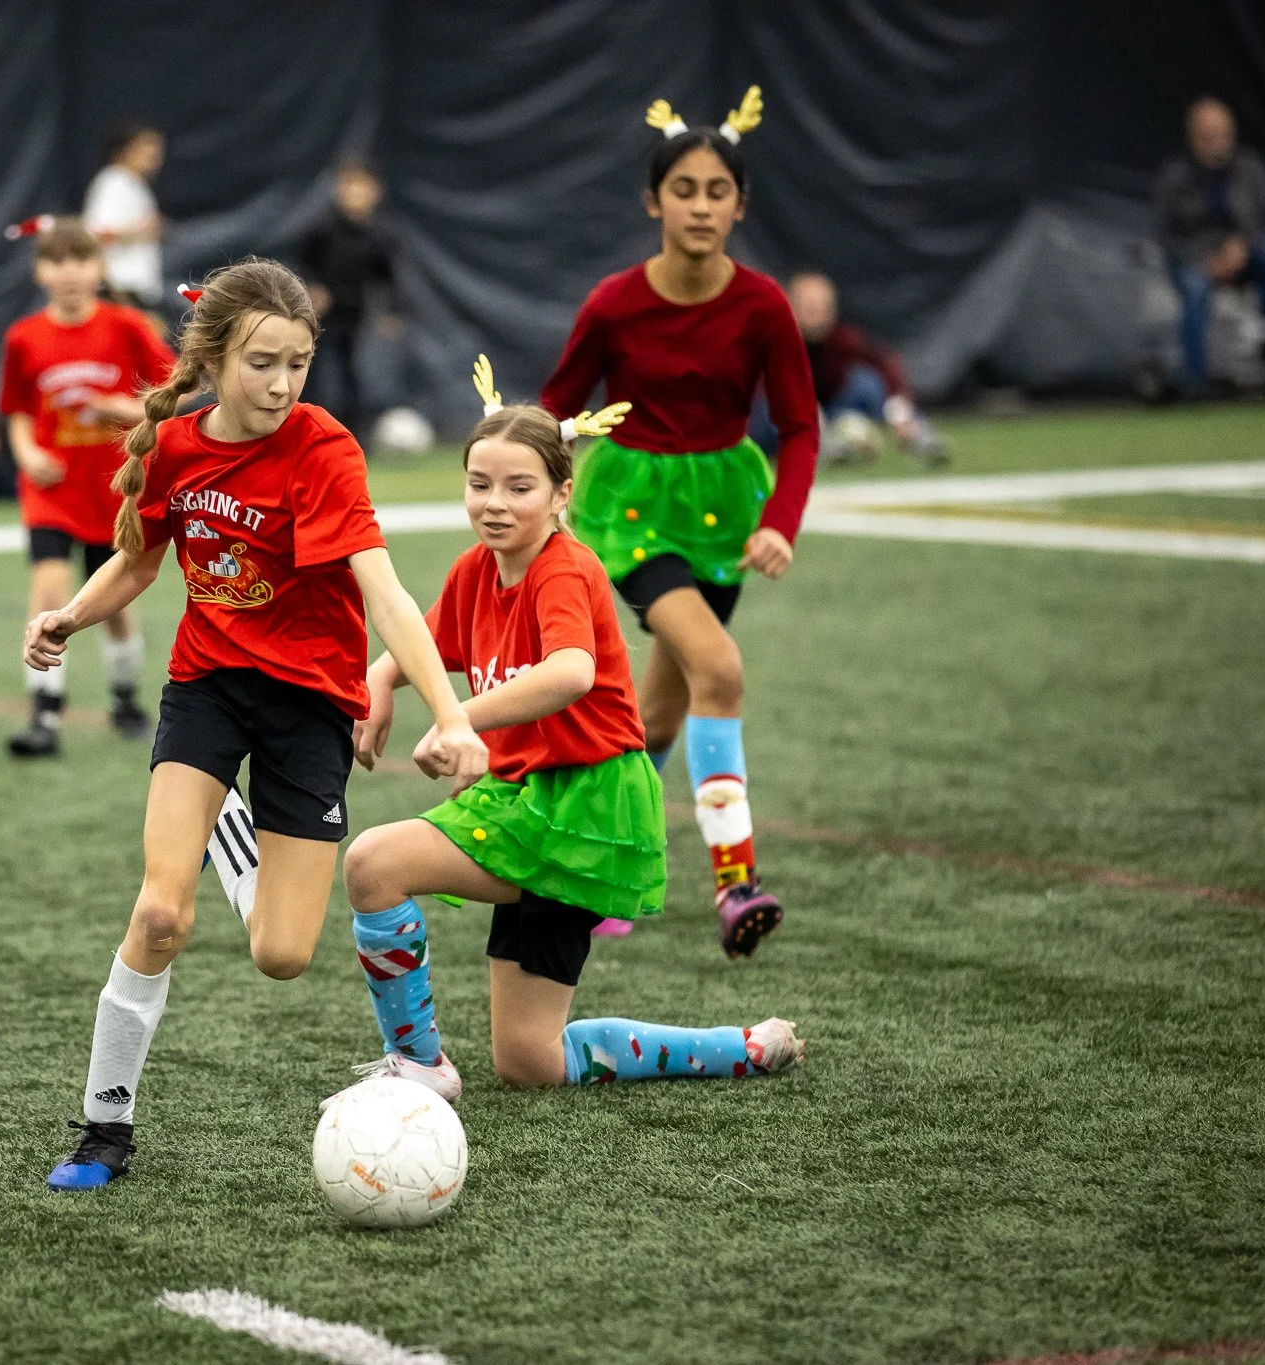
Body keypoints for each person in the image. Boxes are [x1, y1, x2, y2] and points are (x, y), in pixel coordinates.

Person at [30, 258, 488, 1192]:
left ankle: (226, 827)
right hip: (206, 687)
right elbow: (137, 561)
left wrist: (454, 717)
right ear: (213, 357)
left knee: (281, 956)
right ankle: (103, 1130)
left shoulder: (322, 450)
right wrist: (70, 616)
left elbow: (387, 597)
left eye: (299, 364)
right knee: (160, 913)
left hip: (311, 702)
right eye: (262, 363)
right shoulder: (175, 447)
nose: (282, 386)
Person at [337, 360, 801, 1097]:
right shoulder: (474, 571)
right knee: (531, 1062)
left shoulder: (566, 568)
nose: (494, 504)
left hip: (586, 810)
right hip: (523, 800)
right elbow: (425, 645)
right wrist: (380, 680)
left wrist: (457, 718)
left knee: (373, 863)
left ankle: (420, 1067)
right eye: (478, 483)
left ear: (561, 493)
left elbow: (571, 672)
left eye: (518, 488)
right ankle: (741, 1046)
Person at [540, 88, 818, 959]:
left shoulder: (765, 306)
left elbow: (802, 427)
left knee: (656, 716)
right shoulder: (616, 303)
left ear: (740, 204)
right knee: (720, 668)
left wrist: (780, 521)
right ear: (652, 200)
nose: (701, 206)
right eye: (685, 189)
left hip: (725, 513)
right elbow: (557, 405)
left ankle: (602, 867)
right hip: (628, 513)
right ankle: (737, 882)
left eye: (717, 191)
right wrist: (527, 481)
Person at [0, 219, 174, 755]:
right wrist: (28, 454)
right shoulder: (23, 337)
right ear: (39, 271)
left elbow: (172, 392)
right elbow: (17, 411)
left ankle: (125, 699)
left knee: (112, 605)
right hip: (53, 492)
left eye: (81, 260)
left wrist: (119, 408)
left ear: (99, 268)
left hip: (116, 491)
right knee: (50, 593)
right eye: (56, 261)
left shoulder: (126, 325)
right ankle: (45, 713)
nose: (69, 273)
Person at [1154, 96, 1265, 396]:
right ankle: (1196, 381)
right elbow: (1165, 234)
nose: (1217, 141)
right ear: (1193, 138)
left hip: (1245, 255)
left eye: (1223, 133)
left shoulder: (1250, 169)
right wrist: (1205, 260)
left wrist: (1242, 246)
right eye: (1209, 135)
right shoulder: (1175, 177)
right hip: (1194, 262)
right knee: (1196, 286)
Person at [751, 271, 948, 467]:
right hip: (778, 423)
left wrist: (899, 412)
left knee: (866, 383)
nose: (817, 312)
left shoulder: (843, 340)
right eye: (809, 305)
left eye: (823, 305)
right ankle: (820, 445)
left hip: (832, 409)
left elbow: (885, 365)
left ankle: (914, 433)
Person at [298, 161, 402, 436]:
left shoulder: (379, 234)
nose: (356, 194)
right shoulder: (321, 228)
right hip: (316, 316)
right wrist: (313, 289)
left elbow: (387, 277)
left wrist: (393, 311)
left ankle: (351, 436)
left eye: (362, 188)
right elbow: (300, 265)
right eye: (350, 187)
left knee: (351, 376)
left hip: (353, 314)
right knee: (310, 372)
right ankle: (304, 432)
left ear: (375, 192)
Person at [82, 122, 166, 311]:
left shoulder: (136, 185)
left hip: (137, 292)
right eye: (147, 147)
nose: (155, 155)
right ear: (126, 150)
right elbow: (99, 235)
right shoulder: (113, 182)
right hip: (119, 291)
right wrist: (142, 232)